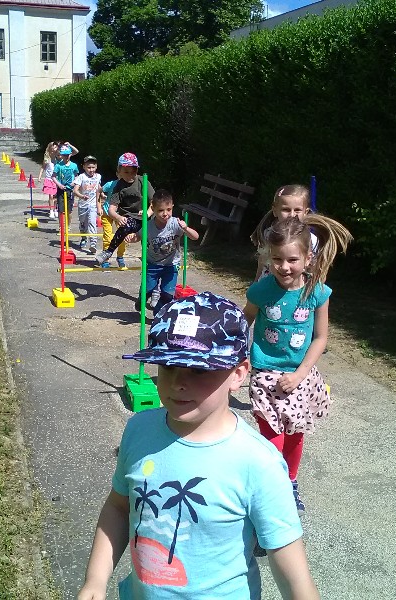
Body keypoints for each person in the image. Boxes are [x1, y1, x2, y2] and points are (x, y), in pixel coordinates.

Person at [77, 292, 320, 600]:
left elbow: (293, 573)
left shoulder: (258, 462)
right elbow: (119, 506)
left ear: (238, 374)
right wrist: (96, 580)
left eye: (199, 370)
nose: (178, 382)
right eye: (168, 366)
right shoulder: (139, 429)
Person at [243, 215, 352, 512]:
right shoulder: (261, 290)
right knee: (273, 440)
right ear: (269, 257)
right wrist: (235, 357)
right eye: (277, 259)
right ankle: (271, 490)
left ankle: (290, 483)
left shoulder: (317, 292)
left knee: (294, 436)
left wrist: (300, 374)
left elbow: (320, 338)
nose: (284, 267)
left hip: (300, 376)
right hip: (266, 376)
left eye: (292, 259)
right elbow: (244, 322)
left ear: (308, 258)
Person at [125, 189, 199, 313]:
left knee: (168, 295)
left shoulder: (176, 224)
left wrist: (186, 228)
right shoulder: (148, 226)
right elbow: (138, 236)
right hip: (153, 264)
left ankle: (158, 314)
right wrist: (132, 238)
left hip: (171, 265)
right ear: (153, 209)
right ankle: (141, 299)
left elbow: (195, 237)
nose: (165, 214)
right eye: (160, 210)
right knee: (147, 290)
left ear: (172, 207)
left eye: (168, 209)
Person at [94, 152, 154, 269]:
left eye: (133, 172)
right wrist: (118, 217)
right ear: (119, 171)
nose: (130, 175)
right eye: (126, 172)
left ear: (137, 170)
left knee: (148, 238)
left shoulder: (143, 181)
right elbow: (111, 209)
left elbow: (154, 202)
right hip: (129, 219)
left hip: (145, 218)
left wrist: (147, 213)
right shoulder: (118, 186)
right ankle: (109, 251)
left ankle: (151, 259)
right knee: (126, 224)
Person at [249, 184, 319, 281]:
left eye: (297, 210)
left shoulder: (312, 240)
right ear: (275, 211)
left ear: (305, 212)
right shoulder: (268, 234)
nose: (292, 215)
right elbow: (262, 260)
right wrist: (256, 281)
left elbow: (315, 269)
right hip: (267, 285)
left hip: (293, 287)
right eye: (286, 210)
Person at [73, 155, 102, 253]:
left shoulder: (98, 176)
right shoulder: (81, 177)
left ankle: (93, 243)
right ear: (84, 167)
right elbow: (75, 190)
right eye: (89, 167)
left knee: (92, 222)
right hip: (83, 205)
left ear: (96, 167)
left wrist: (102, 194)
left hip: (93, 204)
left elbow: (98, 187)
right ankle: (84, 237)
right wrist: (82, 196)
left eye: (93, 167)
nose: (91, 170)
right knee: (83, 223)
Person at [99, 178, 126, 269]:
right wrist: (98, 206)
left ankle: (120, 256)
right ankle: (105, 259)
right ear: (117, 174)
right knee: (107, 237)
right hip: (107, 212)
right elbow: (98, 191)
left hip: (120, 215)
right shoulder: (110, 184)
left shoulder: (128, 186)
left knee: (123, 236)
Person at [52, 144, 80, 226]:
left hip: (70, 190)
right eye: (64, 155)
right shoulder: (58, 165)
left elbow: (77, 176)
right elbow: (53, 176)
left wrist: (74, 182)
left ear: (70, 154)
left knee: (69, 210)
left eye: (67, 155)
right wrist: (59, 185)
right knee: (60, 210)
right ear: (61, 155)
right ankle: (61, 226)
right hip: (61, 189)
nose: (66, 157)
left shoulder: (74, 165)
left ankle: (68, 226)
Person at [37, 141, 59, 218]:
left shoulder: (58, 158)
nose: (54, 149)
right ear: (49, 149)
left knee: (56, 197)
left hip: (57, 180)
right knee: (51, 196)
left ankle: (55, 209)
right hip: (49, 179)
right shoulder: (47, 159)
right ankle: (51, 211)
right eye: (53, 148)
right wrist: (39, 176)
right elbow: (43, 168)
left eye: (55, 147)